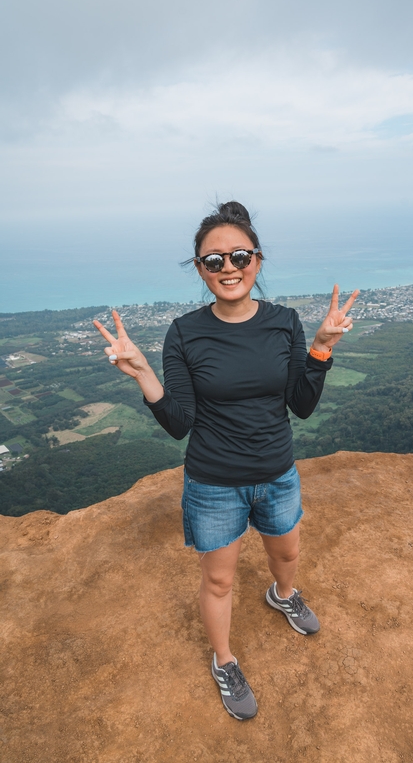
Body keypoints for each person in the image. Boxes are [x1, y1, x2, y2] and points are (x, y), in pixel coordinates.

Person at [94, 201, 358, 721]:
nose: (228, 267)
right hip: (214, 483)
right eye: (213, 260)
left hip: (278, 474)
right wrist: (144, 372)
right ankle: (224, 660)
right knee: (218, 581)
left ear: (257, 261)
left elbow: (301, 406)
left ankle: (284, 595)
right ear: (199, 269)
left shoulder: (284, 323)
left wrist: (322, 348)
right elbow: (179, 422)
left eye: (239, 255)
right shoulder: (185, 333)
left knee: (286, 558)